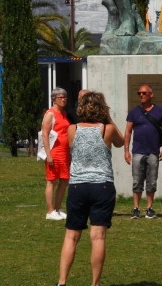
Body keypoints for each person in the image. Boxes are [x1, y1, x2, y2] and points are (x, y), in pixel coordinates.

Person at [55, 92, 124, 286]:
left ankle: (62, 281)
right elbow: (121, 142)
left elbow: (72, 149)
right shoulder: (107, 130)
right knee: (98, 236)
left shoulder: (72, 129)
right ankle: (95, 283)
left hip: (78, 185)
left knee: (71, 235)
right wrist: (108, 118)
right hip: (102, 185)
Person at [124, 85, 162, 219]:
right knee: (137, 181)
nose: (141, 95)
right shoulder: (134, 112)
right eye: (139, 93)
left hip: (153, 152)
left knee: (152, 181)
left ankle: (149, 208)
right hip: (138, 151)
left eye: (144, 93)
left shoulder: (160, 111)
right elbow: (128, 131)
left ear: (151, 95)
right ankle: (136, 208)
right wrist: (126, 150)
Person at [41, 87, 72, 220]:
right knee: (52, 180)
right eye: (60, 97)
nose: (63, 99)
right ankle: (50, 210)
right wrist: (49, 154)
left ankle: (58, 208)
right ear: (54, 99)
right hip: (54, 151)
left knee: (64, 180)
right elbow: (45, 134)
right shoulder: (50, 114)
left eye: (65, 97)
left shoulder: (64, 113)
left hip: (65, 152)